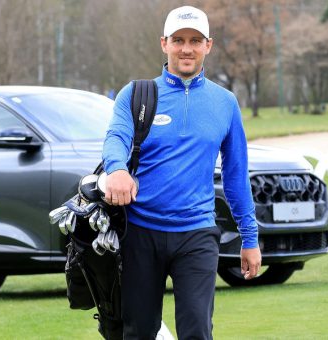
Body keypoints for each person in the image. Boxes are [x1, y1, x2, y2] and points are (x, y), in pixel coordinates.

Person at [102, 6, 260, 339]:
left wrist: (250, 238)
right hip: (141, 231)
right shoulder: (136, 94)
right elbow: (116, 138)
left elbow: (235, 176)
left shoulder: (225, 103)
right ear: (164, 44)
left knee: (197, 332)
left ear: (208, 45)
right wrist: (116, 170)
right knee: (138, 332)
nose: (186, 48)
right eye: (178, 40)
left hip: (197, 233)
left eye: (194, 41)